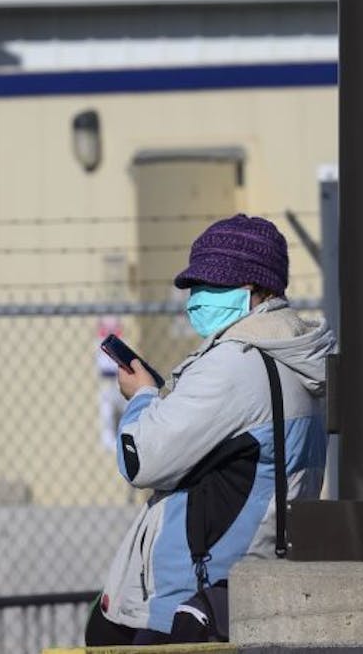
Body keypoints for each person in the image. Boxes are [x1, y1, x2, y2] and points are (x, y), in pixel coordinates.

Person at [86, 213, 335, 645]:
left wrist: (143, 397)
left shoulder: (233, 365)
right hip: (244, 587)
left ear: (257, 290)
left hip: (192, 596)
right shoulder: (294, 356)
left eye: (215, 286)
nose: (199, 297)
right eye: (196, 286)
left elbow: (139, 459)